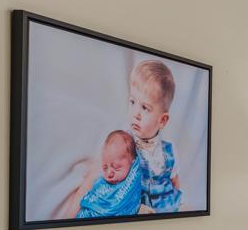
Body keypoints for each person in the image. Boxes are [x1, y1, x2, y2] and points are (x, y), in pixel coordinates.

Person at [127, 59, 183, 213]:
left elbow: (175, 183)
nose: (135, 113)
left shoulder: (168, 150)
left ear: (162, 120)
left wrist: (180, 207)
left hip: (168, 211)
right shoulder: (125, 144)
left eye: (145, 108)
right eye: (132, 102)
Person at [75, 130, 144, 218]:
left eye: (116, 167)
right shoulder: (101, 182)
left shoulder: (134, 175)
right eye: (105, 167)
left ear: (132, 162)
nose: (109, 173)